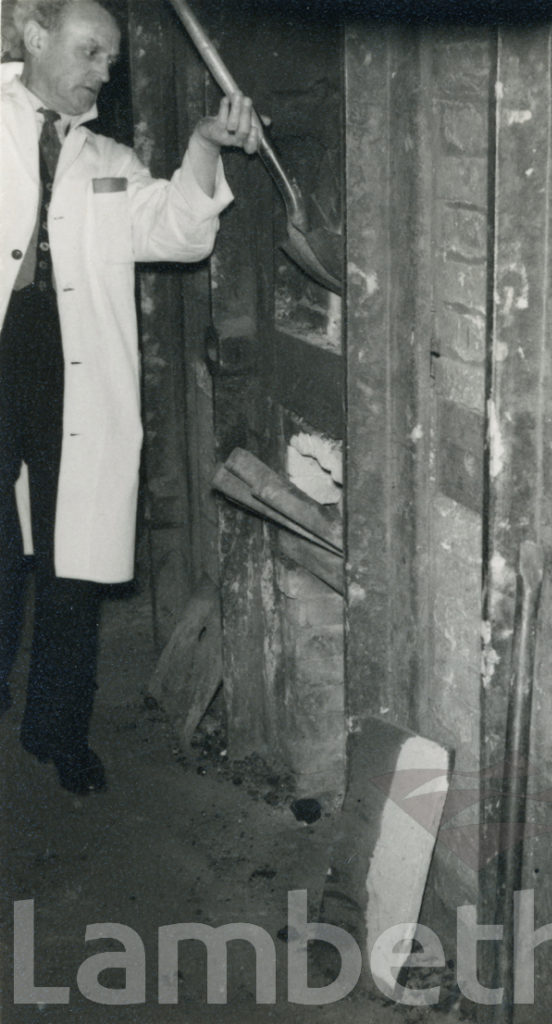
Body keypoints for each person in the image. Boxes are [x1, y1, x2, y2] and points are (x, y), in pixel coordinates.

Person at [0, 0, 264, 793]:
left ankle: (57, 729)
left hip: (67, 370)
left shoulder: (107, 157)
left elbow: (179, 231)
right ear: (36, 36)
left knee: (70, 558)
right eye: (90, 52)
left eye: (111, 60)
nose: (102, 72)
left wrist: (202, 147)